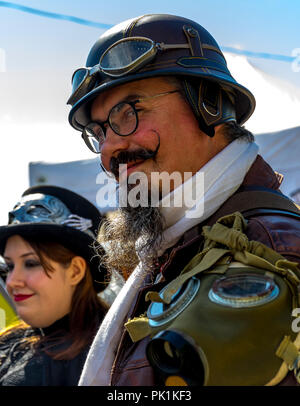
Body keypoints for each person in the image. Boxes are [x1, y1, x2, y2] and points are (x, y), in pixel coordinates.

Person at [66, 14, 300, 386]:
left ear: (209, 104)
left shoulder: (269, 250)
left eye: (129, 113)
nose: (109, 148)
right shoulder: (179, 244)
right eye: (98, 131)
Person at [0, 185, 109, 386]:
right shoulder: (9, 343)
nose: (12, 282)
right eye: (9, 266)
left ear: (75, 271)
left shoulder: (115, 357)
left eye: (31, 263)